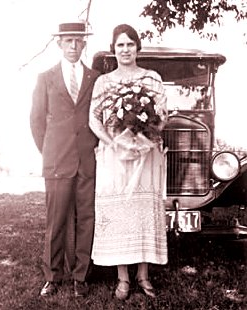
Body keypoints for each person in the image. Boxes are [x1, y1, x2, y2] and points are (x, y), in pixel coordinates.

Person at [89, 24, 168, 300]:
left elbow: (162, 116)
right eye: (120, 45)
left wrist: (144, 141)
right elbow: (94, 119)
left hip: (145, 155)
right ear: (114, 49)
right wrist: (114, 143)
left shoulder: (152, 78)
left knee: (142, 209)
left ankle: (143, 275)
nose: (125, 50)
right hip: (115, 157)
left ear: (137, 48)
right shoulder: (104, 82)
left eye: (130, 44)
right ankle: (122, 278)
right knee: (121, 210)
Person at [30, 21, 100, 298]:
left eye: (78, 41)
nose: (73, 46)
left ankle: (81, 276)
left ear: (84, 44)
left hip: (87, 159)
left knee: (86, 219)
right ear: (59, 43)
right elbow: (36, 121)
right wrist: (50, 151)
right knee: (56, 220)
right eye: (68, 41)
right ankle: (53, 275)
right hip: (57, 160)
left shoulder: (95, 78)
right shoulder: (45, 78)